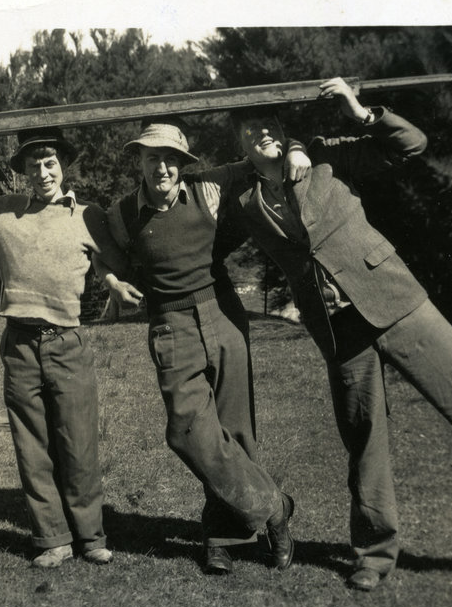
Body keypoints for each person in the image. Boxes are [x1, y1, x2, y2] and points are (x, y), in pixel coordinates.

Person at [228, 77, 452, 591]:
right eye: (249, 128)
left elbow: (412, 145)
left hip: (394, 299)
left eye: (268, 124)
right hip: (339, 329)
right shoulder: (242, 199)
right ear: (239, 144)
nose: (260, 132)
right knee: (365, 442)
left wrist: (358, 110)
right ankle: (373, 555)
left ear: (284, 130)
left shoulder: (327, 158)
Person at [100, 116, 308, 575]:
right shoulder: (122, 214)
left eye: (171, 160)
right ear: (140, 161)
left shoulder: (209, 188)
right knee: (189, 431)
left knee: (234, 429)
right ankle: (275, 506)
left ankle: (221, 536)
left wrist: (293, 147)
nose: (163, 169)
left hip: (222, 311)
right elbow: (102, 253)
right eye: (153, 158)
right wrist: (113, 281)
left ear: (183, 164)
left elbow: (258, 160)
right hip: (170, 325)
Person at [0, 128, 129, 569]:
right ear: (23, 171)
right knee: (32, 445)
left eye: (50, 164)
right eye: (33, 165)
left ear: (63, 166)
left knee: (78, 443)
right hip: (20, 345)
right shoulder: (7, 211)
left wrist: (112, 279)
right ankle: (52, 538)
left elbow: (110, 258)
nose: (43, 173)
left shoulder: (88, 215)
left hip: (69, 343)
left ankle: (90, 535)